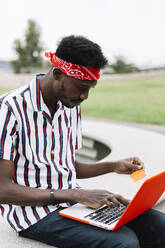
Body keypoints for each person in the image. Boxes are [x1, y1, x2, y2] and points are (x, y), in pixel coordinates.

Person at [0, 35, 165, 248]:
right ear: (58, 74)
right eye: (80, 87)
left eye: (90, 88)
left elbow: (67, 166)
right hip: (33, 215)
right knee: (125, 243)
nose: (85, 96)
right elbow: (2, 190)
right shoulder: (9, 110)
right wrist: (76, 193)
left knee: (159, 224)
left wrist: (112, 166)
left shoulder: (70, 106)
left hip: (72, 202)